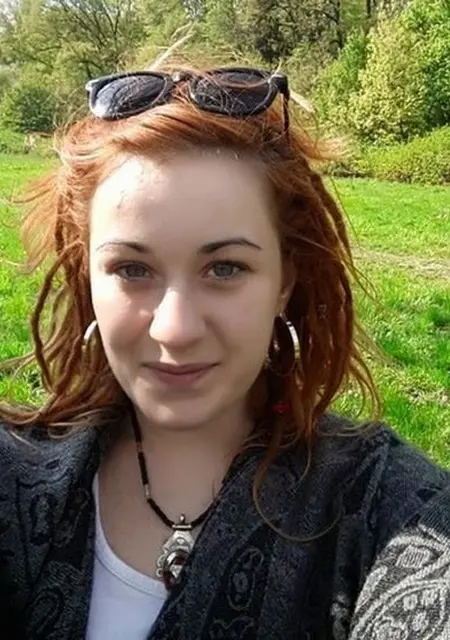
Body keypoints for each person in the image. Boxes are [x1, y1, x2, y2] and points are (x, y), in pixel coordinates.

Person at [0, 64, 448, 640]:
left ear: (284, 281)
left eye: (225, 268)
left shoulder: (394, 511)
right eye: (132, 269)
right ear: (88, 278)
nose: (175, 329)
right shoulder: (12, 473)